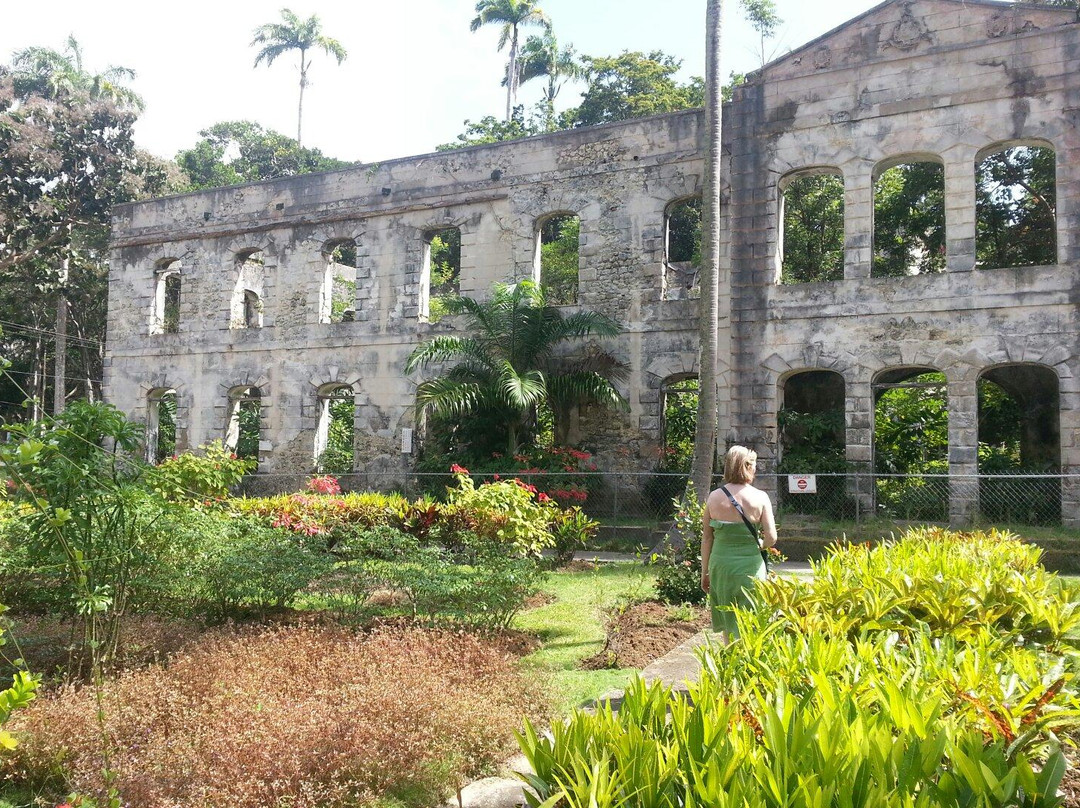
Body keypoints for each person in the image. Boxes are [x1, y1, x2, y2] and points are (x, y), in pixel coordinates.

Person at [700, 445, 777, 639]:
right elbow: (772, 537)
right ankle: (749, 661)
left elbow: (707, 537)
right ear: (747, 467)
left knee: (728, 617)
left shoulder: (714, 497)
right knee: (751, 617)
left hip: (721, 565)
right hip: (750, 565)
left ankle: (731, 660)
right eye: (754, 465)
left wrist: (705, 572)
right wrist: (760, 544)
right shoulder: (760, 497)